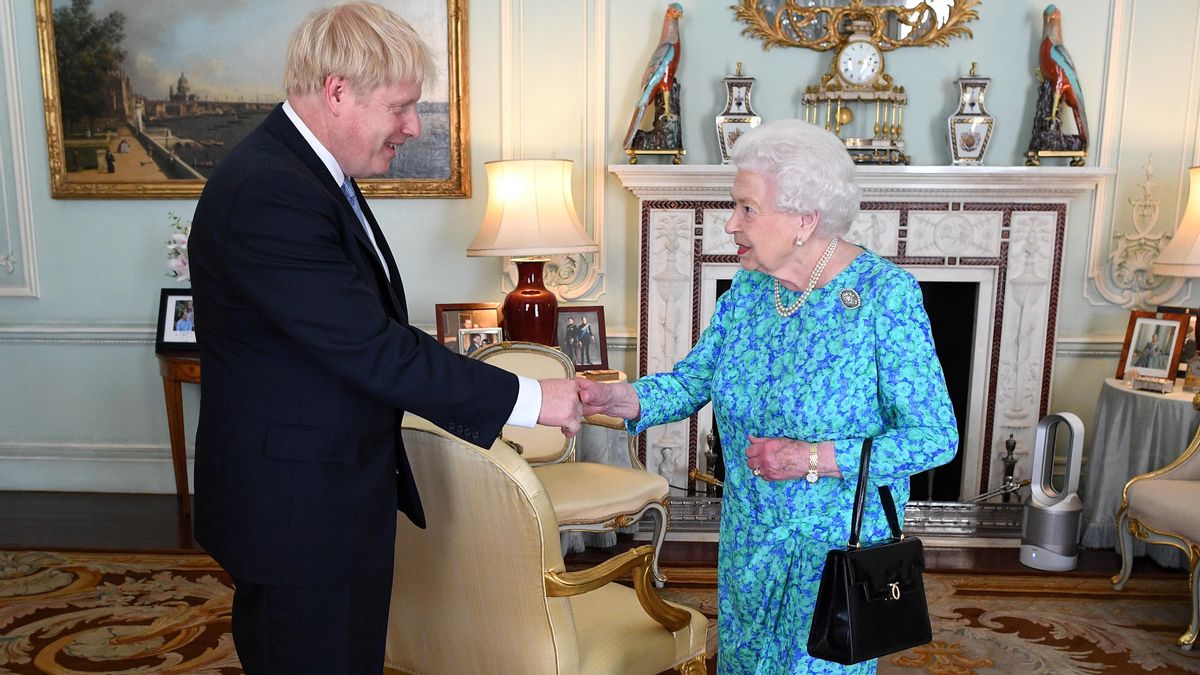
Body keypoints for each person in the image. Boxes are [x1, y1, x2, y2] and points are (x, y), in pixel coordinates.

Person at [185, 4, 581, 673]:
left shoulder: (310, 174)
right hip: (297, 512)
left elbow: (366, 335)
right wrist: (530, 398)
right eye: (400, 106)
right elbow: (371, 345)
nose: (412, 126)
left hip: (323, 495)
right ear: (337, 90)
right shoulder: (268, 191)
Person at [578, 119, 958, 674]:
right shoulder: (750, 292)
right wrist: (619, 400)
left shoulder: (885, 296)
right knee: (744, 663)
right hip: (749, 537)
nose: (730, 224)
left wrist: (810, 458)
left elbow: (934, 437)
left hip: (835, 549)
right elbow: (691, 382)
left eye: (747, 209)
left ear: (805, 219)